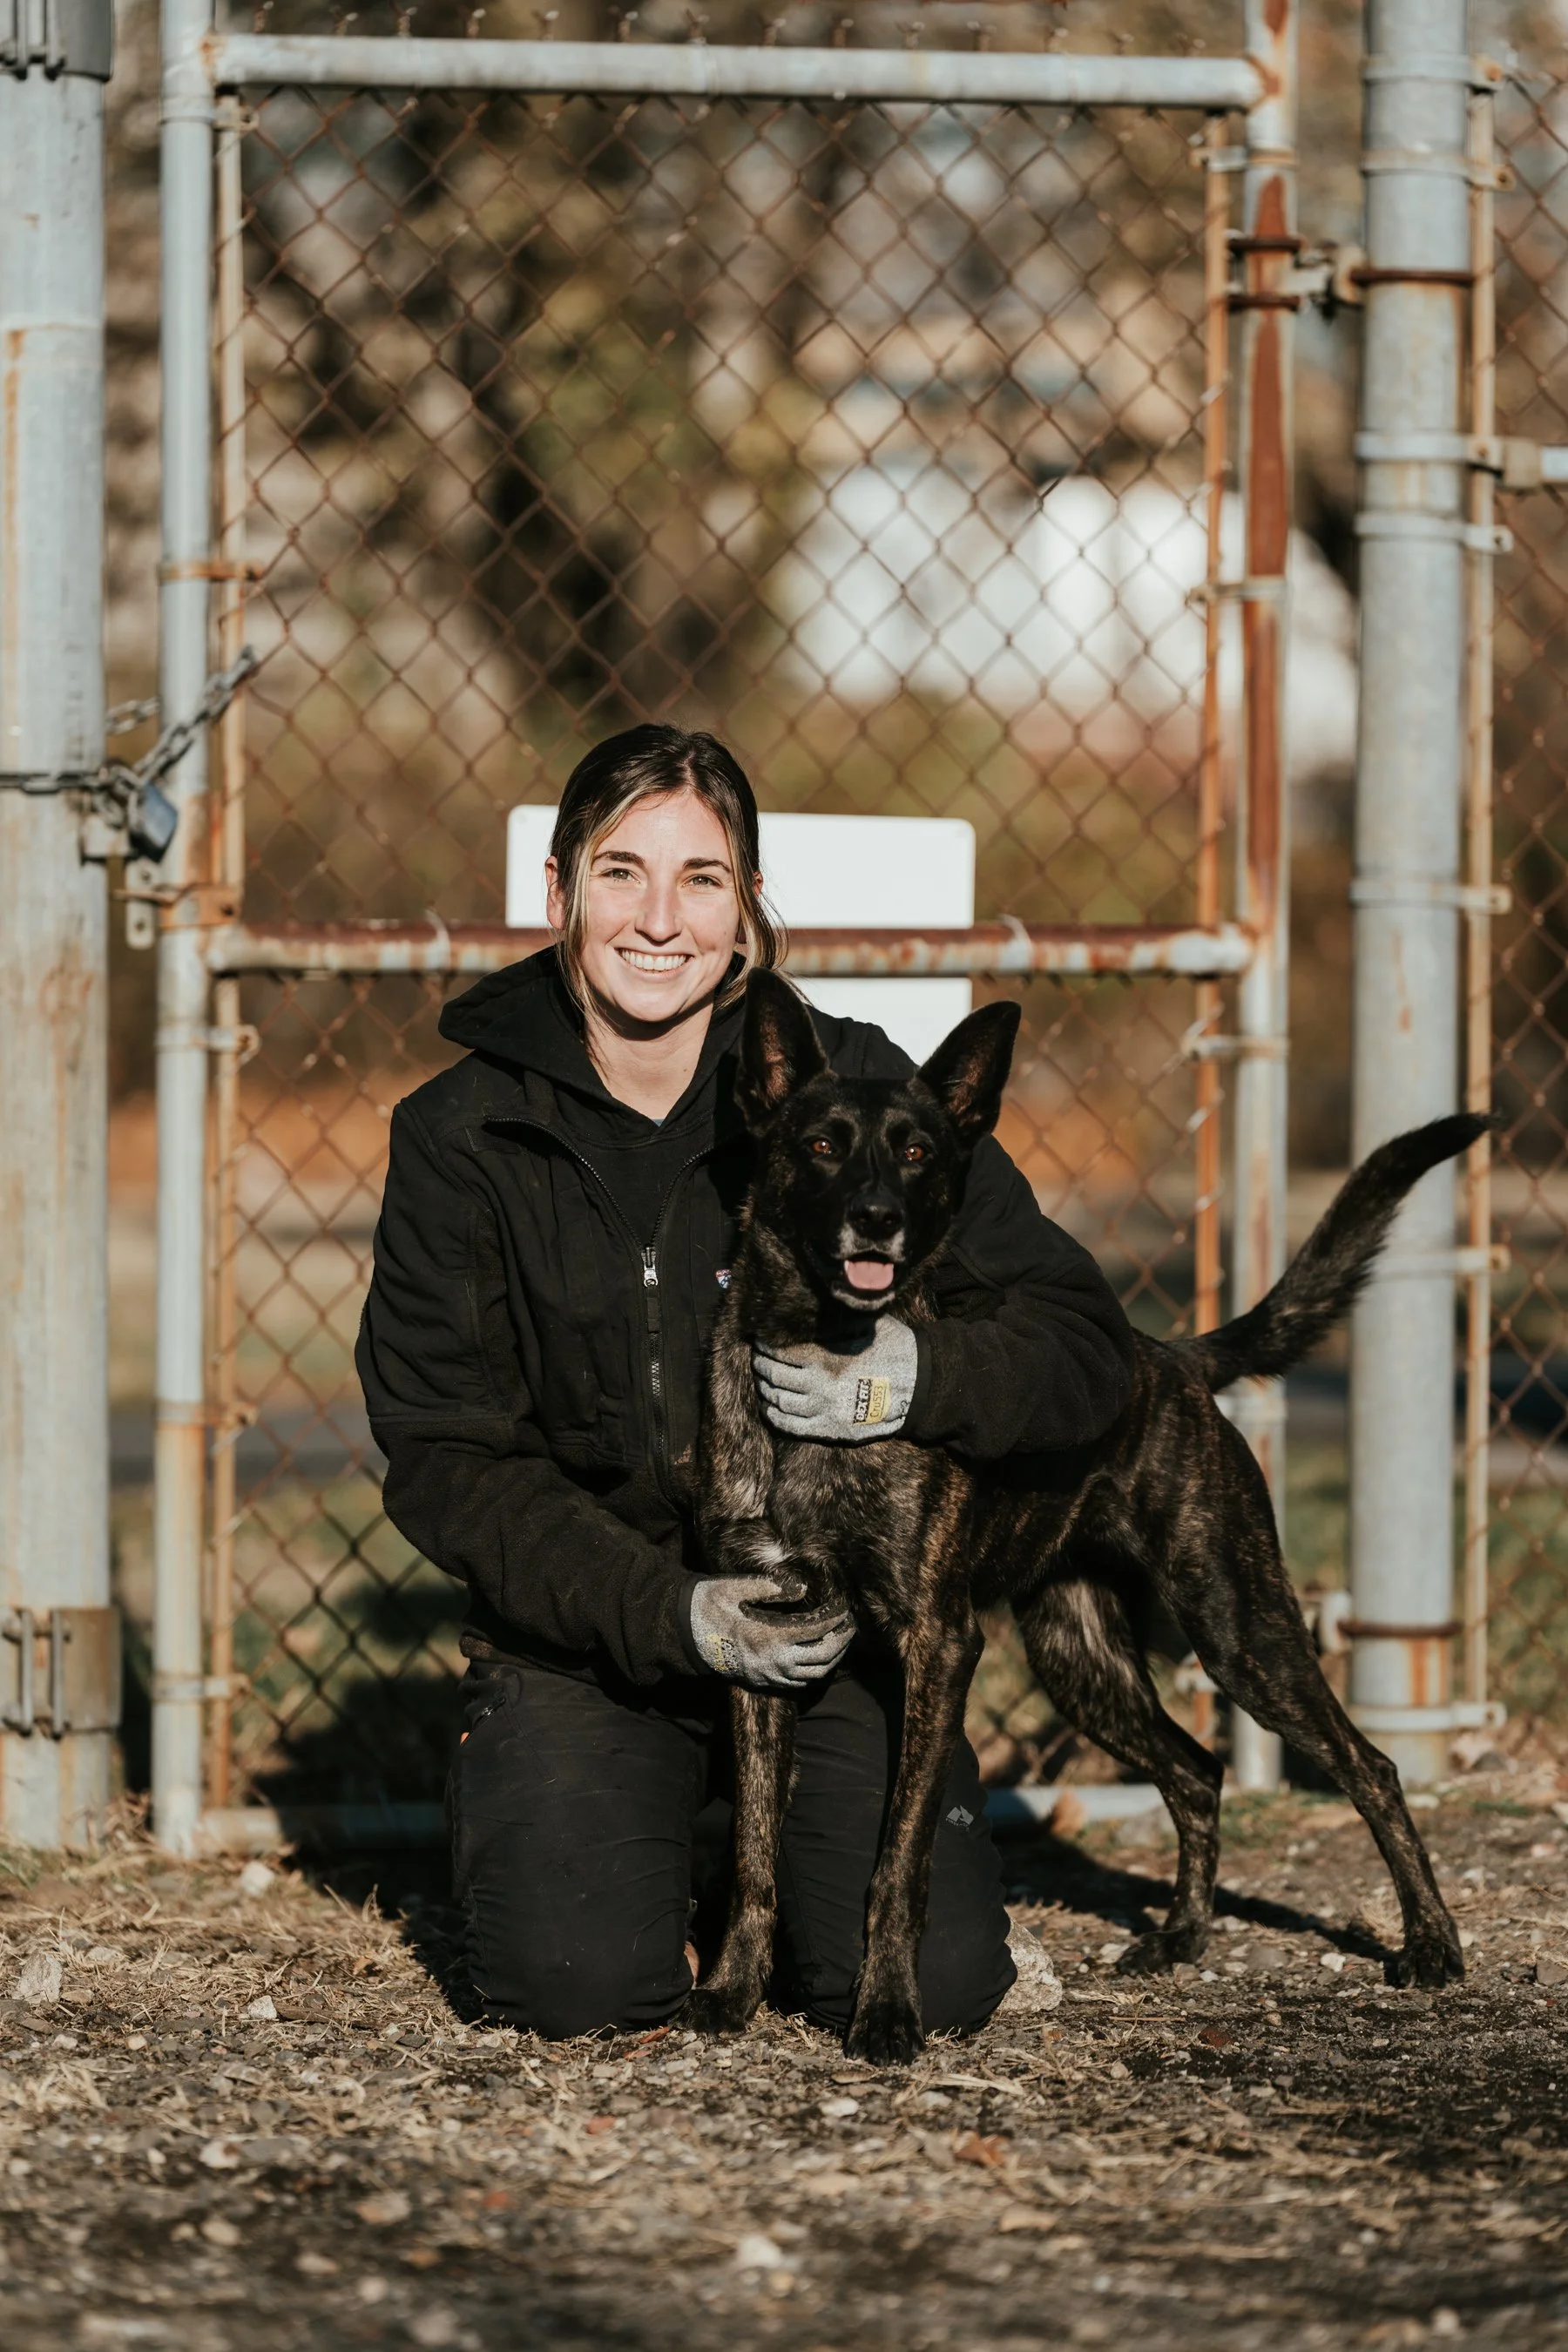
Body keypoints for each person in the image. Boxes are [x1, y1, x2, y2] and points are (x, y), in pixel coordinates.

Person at [355, 724, 1135, 2039]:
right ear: (558, 892)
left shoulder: (855, 1102)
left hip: (833, 1639)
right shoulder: (461, 1134)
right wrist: (672, 1612)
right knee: (575, 1985)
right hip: (593, 1635)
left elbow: (1085, 1347)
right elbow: (446, 1455)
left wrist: (923, 1374)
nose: (660, 920)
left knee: (934, 1987)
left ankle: (761, 1871)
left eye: (702, 879)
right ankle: (656, 1835)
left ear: (749, 907)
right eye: (620, 873)